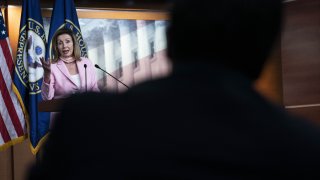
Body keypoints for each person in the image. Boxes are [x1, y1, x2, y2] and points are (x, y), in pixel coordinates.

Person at [29, 0, 320, 179]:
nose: (65, 46)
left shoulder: (88, 123)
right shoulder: (303, 147)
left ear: (171, 36)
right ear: (265, 51)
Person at [40, 28, 99, 100]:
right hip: (63, 110)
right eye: (60, 43)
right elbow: (47, 98)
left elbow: (95, 90)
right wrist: (46, 75)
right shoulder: (52, 66)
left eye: (67, 41)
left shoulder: (86, 62)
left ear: (73, 43)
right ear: (56, 47)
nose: (64, 46)